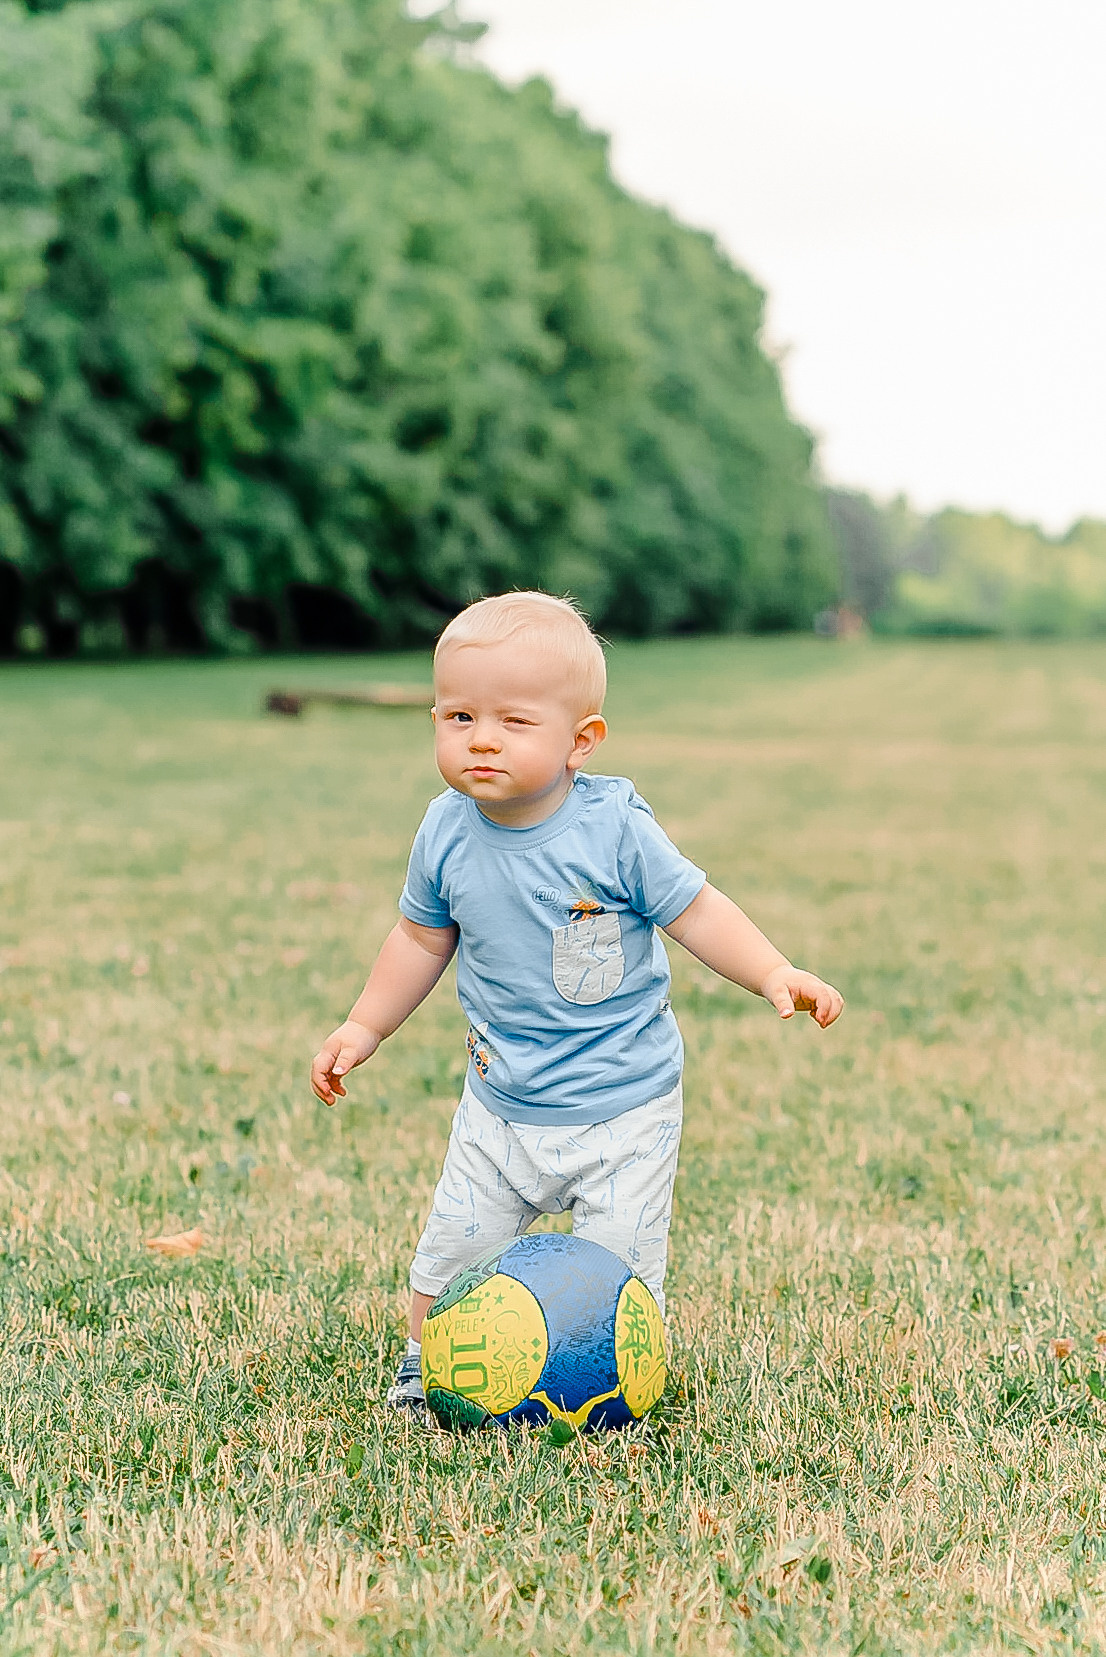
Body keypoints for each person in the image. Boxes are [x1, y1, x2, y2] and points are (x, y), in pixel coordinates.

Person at [310, 592, 844, 1412]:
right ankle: (425, 1367)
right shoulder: (445, 830)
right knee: (451, 1253)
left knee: (617, 1274)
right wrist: (363, 1023)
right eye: (458, 715)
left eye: (513, 722)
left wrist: (773, 969)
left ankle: (609, 1387)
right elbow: (420, 938)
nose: (480, 738)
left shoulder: (615, 828)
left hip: (622, 1110)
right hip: (502, 1104)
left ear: (579, 743)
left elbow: (696, 908)